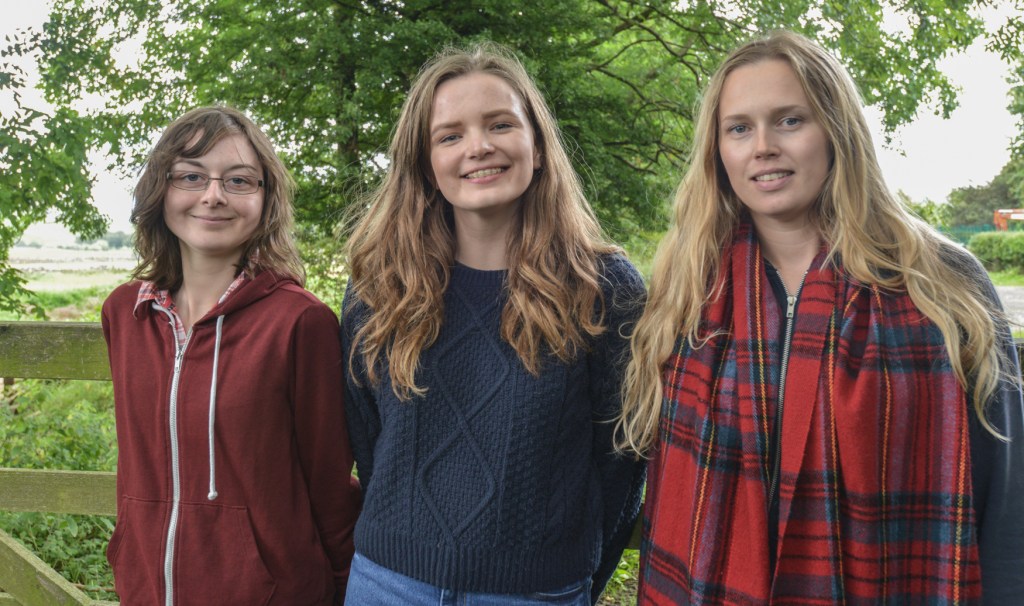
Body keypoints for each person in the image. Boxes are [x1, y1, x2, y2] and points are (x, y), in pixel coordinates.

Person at [617, 31, 1024, 605]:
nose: (763, 147)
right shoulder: (687, 291)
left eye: (790, 120)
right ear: (718, 150)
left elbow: (1006, 497)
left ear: (836, 130)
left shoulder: (941, 281)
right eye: (739, 128)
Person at [340, 43, 646, 605]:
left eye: (500, 124)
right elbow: (368, 441)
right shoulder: (380, 288)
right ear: (425, 164)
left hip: (536, 593)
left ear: (538, 145)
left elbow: (622, 461)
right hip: (385, 583)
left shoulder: (605, 288)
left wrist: (573, 580)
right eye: (449, 136)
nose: (478, 146)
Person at [101, 106, 361, 605]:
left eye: (239, 180)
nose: (213, 195)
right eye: (191, 176)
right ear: (161, 190)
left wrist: (343, 586)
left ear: (266, 198)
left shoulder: (300, 322)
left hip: (271, 593)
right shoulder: (126, 314)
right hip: (147, 589)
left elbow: (329, 482)